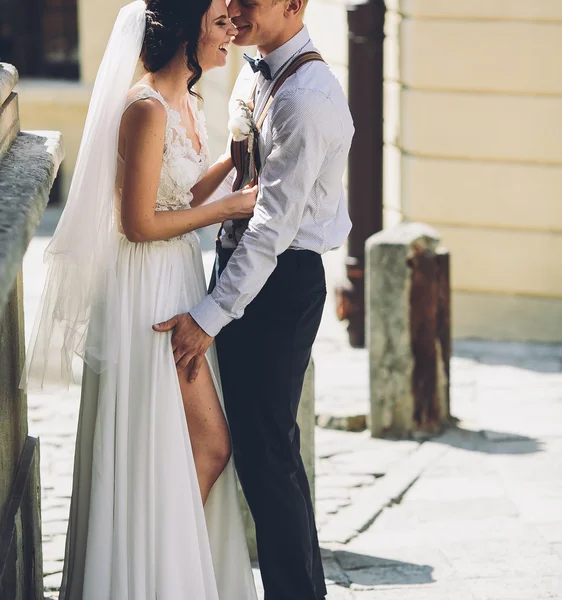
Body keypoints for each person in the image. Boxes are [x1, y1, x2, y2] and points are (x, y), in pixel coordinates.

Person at [23, 1, 258, 598]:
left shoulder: (189, 104)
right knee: (205, 445)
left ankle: (162, 573)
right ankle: (153, 579)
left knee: (185, 446)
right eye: (220, 22)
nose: (232, 31)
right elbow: (137, 222)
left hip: (177, 277)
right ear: (188, 31)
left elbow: (178, 194)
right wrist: (229, 206)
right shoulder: (144, 109)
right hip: (145, 291)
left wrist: (235, 155)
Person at [153, 0, 355, 596]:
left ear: (294, 5)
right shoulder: (255, 68)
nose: (233, 10)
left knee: (268, 456)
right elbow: (241, 168)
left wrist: (209, 317)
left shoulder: (309, 98)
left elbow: (272, 227)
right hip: (240, 268)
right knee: (260, 450)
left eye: (250, 1)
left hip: (281, 283)